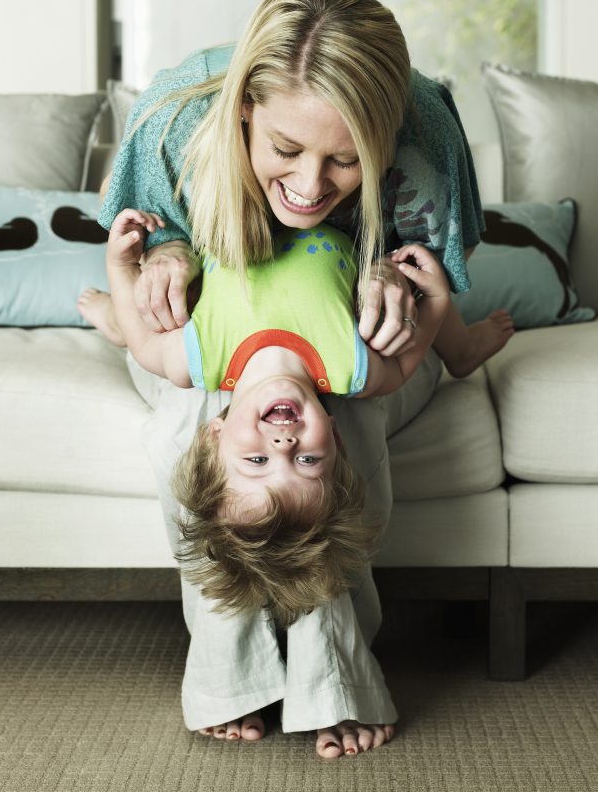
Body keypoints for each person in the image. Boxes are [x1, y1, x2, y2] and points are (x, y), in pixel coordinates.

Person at [86, 0, 512, 758]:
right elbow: (142, 254)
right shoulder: (175, 119)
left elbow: (429, 291)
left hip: (331, 346)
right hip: (206, 342)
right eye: (285, 150)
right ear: (245, 108)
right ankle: (229, 672)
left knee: (331, 424)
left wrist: (392, 284)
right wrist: (165, 259)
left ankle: (333, 678)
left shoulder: (424, 138)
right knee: (201, 421)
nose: (312, 187)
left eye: (348, 162)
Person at [105, 205, 450, 629]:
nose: (285, 447)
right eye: (308, 462)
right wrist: (435, 298)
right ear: (337, 443)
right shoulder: (353, 367)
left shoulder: (195, 359)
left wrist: (120, 263)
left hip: (242, 205)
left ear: (213, 436)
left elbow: (142, 345)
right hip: (320, 206)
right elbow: (399, 370)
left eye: (257, 462)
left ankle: (109, 319)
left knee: (134, 323)